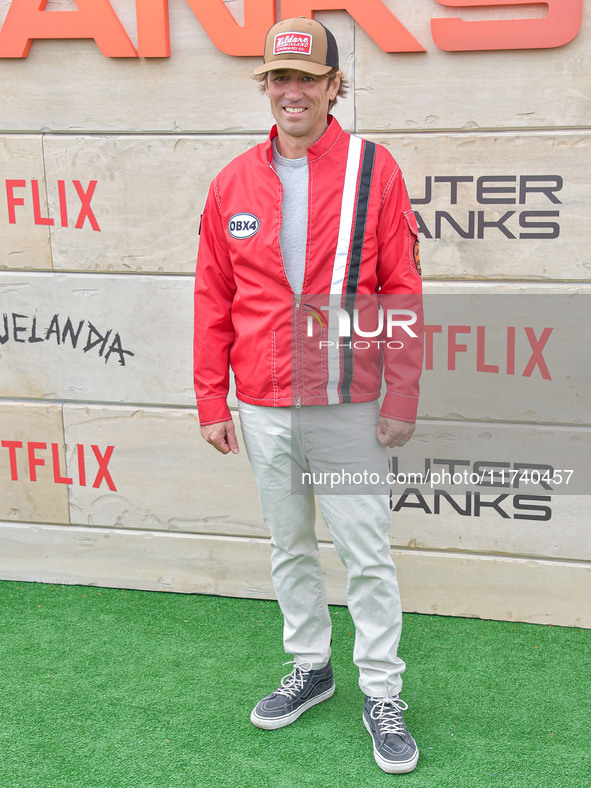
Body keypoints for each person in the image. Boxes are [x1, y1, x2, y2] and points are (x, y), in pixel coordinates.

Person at [194, 16, 423, 775]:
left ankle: (382, 692)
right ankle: (311, 667)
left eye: (305, 79)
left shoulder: (371, 167)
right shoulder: (231, 181)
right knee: (288, 543)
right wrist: (209, 398)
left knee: (365, 553)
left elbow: (401, 287)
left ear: (332, 87)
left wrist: (401, 394)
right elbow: (212, 297)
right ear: (266, 88)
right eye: (278, 79)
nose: (291, 92)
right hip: (261, 401)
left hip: (348, 400)